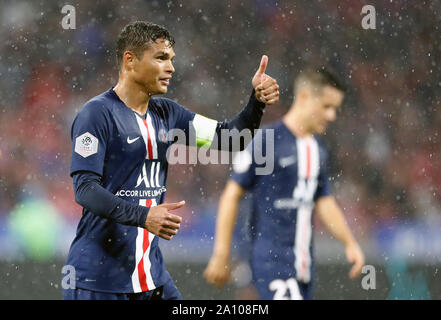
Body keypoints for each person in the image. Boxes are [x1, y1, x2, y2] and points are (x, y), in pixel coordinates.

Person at [63, 21, 279, 300]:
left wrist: (256, 102)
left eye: (172, 60)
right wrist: (144, 216)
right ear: (130, 60)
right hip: (98, 280)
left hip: (151, 277)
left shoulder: (169, 114)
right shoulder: (96, 114)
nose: (171, 68)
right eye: (161, 58)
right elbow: (85, 190)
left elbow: (231, 139)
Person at [204, 68, 365, 300]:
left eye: (335, 109)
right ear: (304, 98)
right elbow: (231, 195)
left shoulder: (318, 148)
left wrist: (349, 243)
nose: (332, 116)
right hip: (272, 264)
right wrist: (221, 253)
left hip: (303, 266)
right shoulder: (266, 141)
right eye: (327, 107)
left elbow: (324, 200)